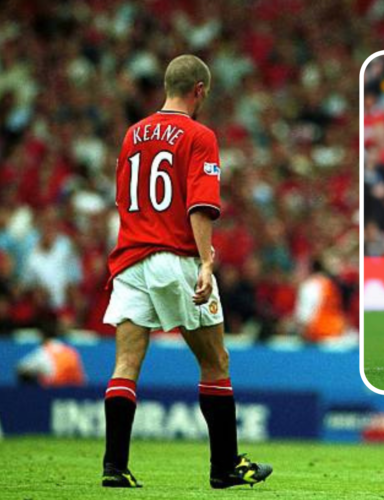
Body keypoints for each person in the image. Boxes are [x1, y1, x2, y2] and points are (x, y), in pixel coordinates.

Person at [101, 55, 272, 489]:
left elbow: (124, 200)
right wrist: (206, 262)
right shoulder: (199, 135)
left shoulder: (132, 134)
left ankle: (114, 467)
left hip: (129, 258)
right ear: (199, 90)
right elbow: (200, 205)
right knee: (215, 361)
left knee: (125, 364)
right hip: (175, 256)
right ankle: (225, 466)